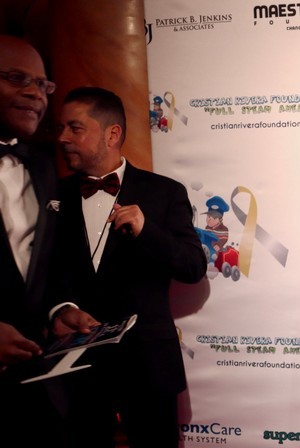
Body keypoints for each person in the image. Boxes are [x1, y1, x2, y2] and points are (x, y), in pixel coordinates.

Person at [50, 86, 206, 448]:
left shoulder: (165, 192)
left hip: (148, 364)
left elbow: (193, 267)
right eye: (60, 128)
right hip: (75, 365)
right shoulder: (51, 194)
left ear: (112, 134)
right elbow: (42, 273)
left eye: (75, 128)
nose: (62, 138)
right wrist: (61, 308)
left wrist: (146, 230)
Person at [0, 35, 65, 443]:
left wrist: (60, 308)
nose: (35, 93)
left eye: (42, 84)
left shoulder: (43, 167)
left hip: (39, 385)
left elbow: (44, 265)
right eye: (16, 78)